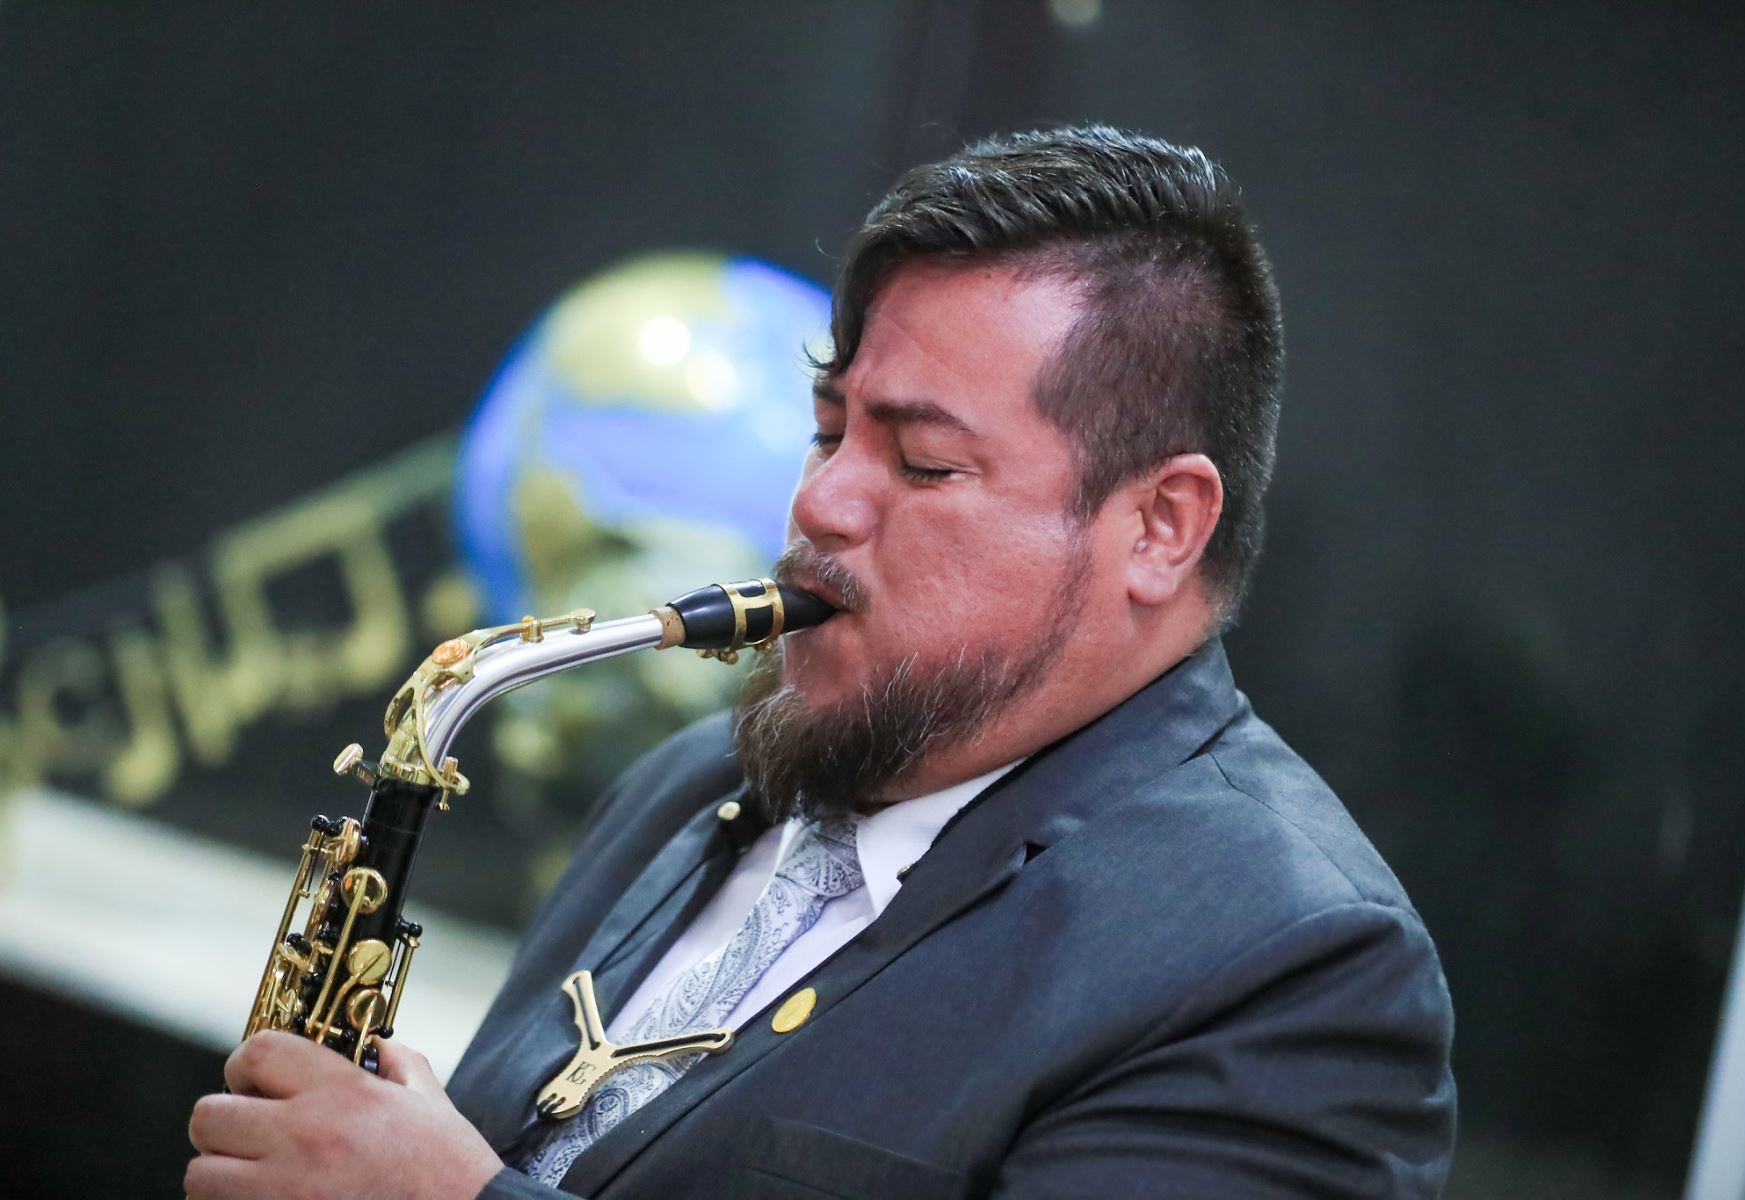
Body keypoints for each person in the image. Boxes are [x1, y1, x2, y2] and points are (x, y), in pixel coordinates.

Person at [186, 125, 1456, 1199]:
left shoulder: (1292, 967)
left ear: (1160, 525)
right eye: (827, 426)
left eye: (923, 464)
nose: (822, 503)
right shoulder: (693, 779)